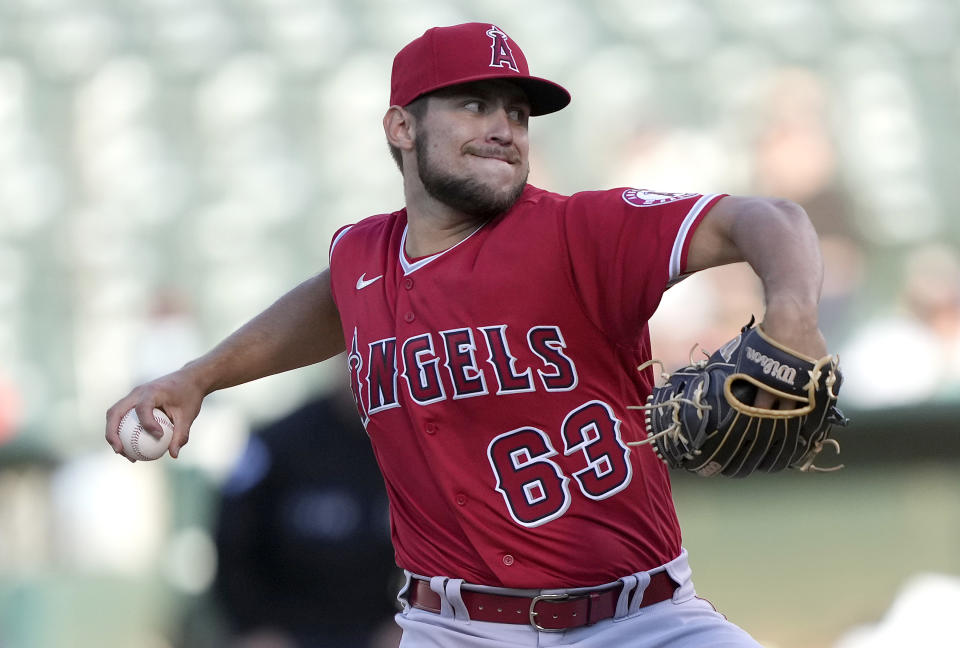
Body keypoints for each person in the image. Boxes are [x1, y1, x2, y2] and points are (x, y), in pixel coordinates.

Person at [106, 22, 830, 647]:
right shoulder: (363, 257)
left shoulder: (583, 231)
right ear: (401, 127)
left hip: (638, 619)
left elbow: (771, 220)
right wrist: (197, 377)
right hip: (454, 628)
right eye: (474, 104)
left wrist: (792, 318)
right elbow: (329, 303)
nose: (504, 129)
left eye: (518, 113)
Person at [212, 382, 401, 648]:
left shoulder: (409, 448)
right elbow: (231, 541)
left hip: (377, 627)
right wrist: (250, 625)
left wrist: (409, 619)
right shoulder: (278, 441)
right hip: (284, 629)